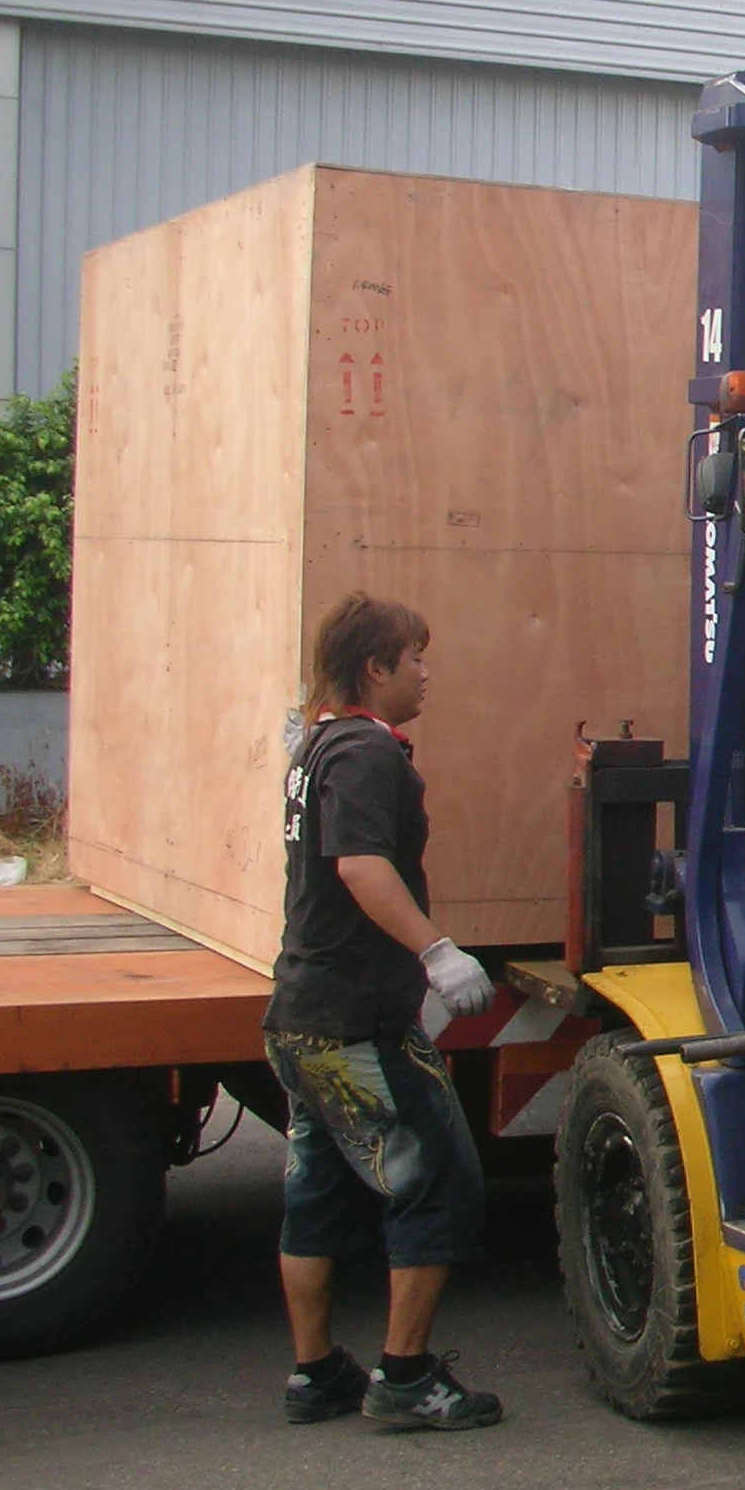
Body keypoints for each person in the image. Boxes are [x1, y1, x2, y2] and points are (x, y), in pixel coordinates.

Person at [264, 592, 503, 1430]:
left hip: (299, 1014)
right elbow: (362, 868)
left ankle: (316, 1372)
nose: (426, 673)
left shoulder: (318, 746)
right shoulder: (365, 751)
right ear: (376, 669)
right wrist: (437, 952)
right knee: (434, 1181)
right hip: (356, 1022)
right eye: (415, 659)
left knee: (319, 1189)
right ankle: (403, 1378)